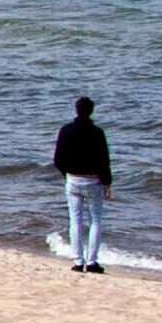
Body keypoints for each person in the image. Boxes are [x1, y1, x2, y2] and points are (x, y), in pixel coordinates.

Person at [54, 95, 112, 270]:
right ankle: (92, 261)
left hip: (72, 179)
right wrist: (107, 183)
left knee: (75, 220)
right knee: (96, 220)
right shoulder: (98, 133)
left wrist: (67, 173)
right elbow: (104, 161)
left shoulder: (65, 130)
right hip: (93, 181)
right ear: (91, 111)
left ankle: (78, 261)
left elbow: (57, 159)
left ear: (76, 110)